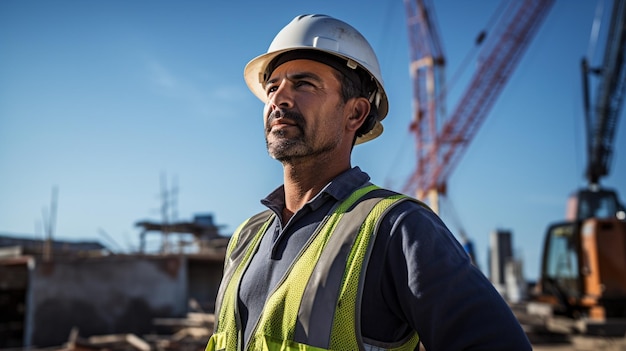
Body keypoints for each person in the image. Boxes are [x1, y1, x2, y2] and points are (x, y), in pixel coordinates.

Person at [206, 14, 532, 351]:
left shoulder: (397, 228)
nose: (278, 99)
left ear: (355, 114)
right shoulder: (246, 237)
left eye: (303, 84)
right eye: (272, 87)